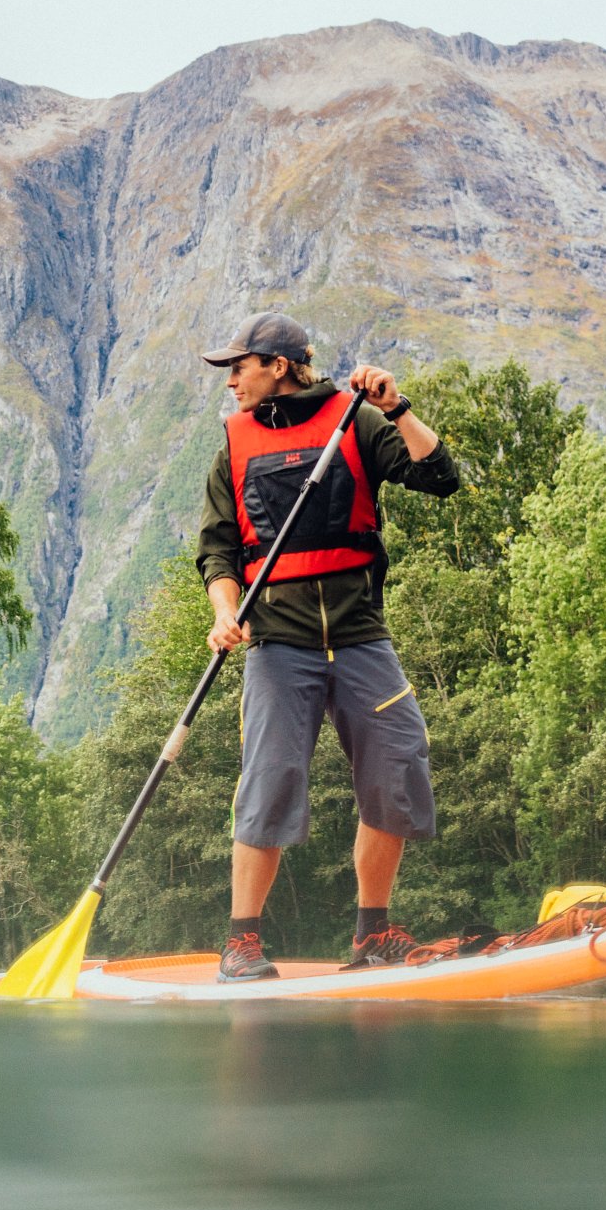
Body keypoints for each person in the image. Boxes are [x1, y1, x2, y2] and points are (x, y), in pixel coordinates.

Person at [196, 312, 459, 981]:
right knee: (272, 775)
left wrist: (395, 407)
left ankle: (373, 932)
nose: (231, 381)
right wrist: (226, 613)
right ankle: (242, 942)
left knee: (398, 761)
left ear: (277, 364)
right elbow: (219, 551)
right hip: (279, 640)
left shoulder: (357, 419)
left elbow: (439, 476)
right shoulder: (231, 444)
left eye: (239, 366)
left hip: (359, 632)